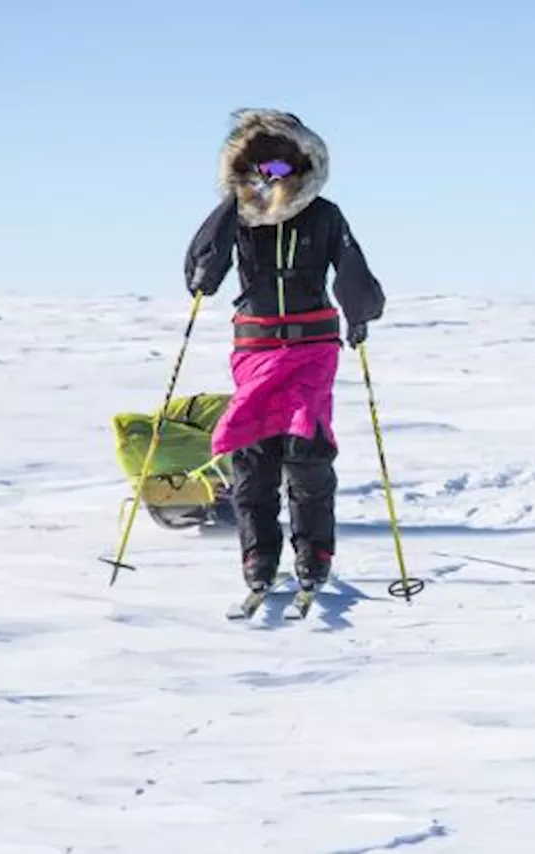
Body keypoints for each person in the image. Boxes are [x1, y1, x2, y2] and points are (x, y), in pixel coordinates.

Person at [182, 108, 385, 593]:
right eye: (261, 167)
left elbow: (352, 269)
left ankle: (313, 553)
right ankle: (259, 555)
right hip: (255, 347)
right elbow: (201, 270)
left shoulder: (325, 214)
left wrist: (359, 313)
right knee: (253, 454)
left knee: (305, 450)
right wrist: (233, 204)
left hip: (312, 345)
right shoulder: (239, 217)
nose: (272, 178)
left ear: (303, 165)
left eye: (281, 167)